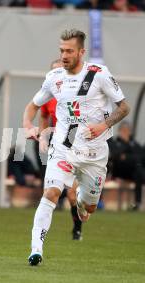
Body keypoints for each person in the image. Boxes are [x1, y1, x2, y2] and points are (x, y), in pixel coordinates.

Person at [23, 28, 130, 266]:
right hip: (64, 147)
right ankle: (35, 250)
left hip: (95, 152)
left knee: (89, 207)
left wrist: (104, 125)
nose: (64, 55)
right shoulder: (54, 77)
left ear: (81, 52)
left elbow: (124, 107)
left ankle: (83, 202)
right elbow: (32, 105)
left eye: (69, 51)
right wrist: (27, 125)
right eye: (61, 50)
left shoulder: (99, 74)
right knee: (51, 193)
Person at [38, 59, 83, 241]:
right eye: (55, 71)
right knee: (49, 191)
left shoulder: (76, 96)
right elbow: (43, 116)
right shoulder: (47, 97)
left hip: (75, 146)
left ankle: (77, 229)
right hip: (56, 146)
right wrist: (42, 136)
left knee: (72, 194)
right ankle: (40, 234)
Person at [108, 121, 143, 210]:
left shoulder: (134, 143)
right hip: (119, 172)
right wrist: (125, 145)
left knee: (138, 172)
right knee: (138, 169)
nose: (125, 132)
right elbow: (115, 154)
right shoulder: (116, 143)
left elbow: (140, 156)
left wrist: (126, 156)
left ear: (130, 132)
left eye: (127, 130)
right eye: (123, 130)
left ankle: (137, 204)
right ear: (119, 131)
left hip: (132, 173)